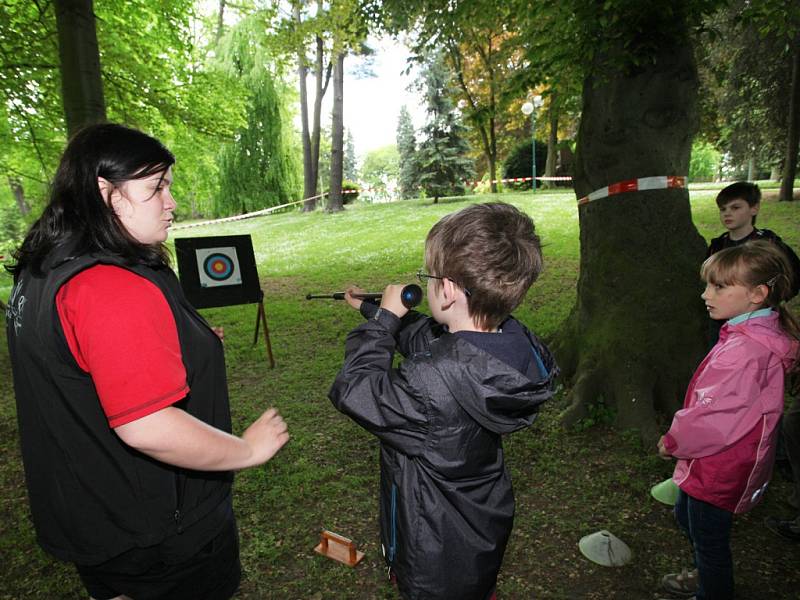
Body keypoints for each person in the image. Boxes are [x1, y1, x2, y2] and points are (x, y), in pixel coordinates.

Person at [5, 123, 289, 600]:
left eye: (168, 186)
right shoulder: (108, 286)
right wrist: (248, 451)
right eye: (156, 187)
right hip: (159, 534)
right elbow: (148, 427)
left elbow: (75, 365)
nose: (170, 201)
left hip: (95, 514)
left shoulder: (45, 266)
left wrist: (175, 343)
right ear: (107, 193)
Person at [328, 202, 559, 600]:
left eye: (428, 276)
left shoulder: (431, 381)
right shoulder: (507, 347)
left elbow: (354, 388)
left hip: (433, 552)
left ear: (448, 290)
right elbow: (429, 337)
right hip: (478, 533)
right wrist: (371, 307)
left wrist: (383, 322)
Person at [657, 240, 800, 600]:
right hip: (721, 458)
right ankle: (703, 574)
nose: (706, 294)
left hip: (721, 463)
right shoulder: (755, 331)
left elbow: (714, 418)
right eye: (708, 284)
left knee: (709, 541)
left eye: (719, 287)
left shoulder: (744, 351)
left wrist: (672, 442)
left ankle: (711, 589)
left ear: (757, 294)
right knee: (686, 515)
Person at [705, 181, 800, 345]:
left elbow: (793, 276)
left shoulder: (769, 243)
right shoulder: (717, 245)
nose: (727, 213)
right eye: (723, 209)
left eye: (735, 208)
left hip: (759, 323)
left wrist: (770, 301)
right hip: (722, 322)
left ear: (754, 208)